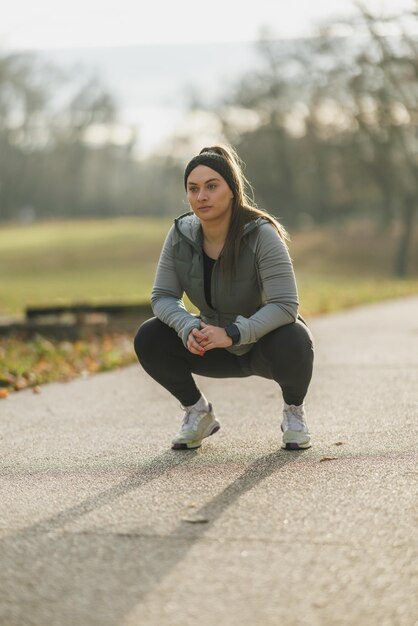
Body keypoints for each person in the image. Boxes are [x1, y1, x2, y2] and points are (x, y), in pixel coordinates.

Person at [134, 144, 314, 451]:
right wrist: (187, 327)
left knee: (297, 338)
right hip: (209, 345)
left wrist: (233, 333)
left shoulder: (261, 235)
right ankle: (197, 412)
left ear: (231, 190)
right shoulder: (180, 234)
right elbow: (163, 296)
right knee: (149, 335)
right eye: (193, 188)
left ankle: (294, 413)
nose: (201, 196)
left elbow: (286, 305)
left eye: (211, 186)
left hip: (261, 346)